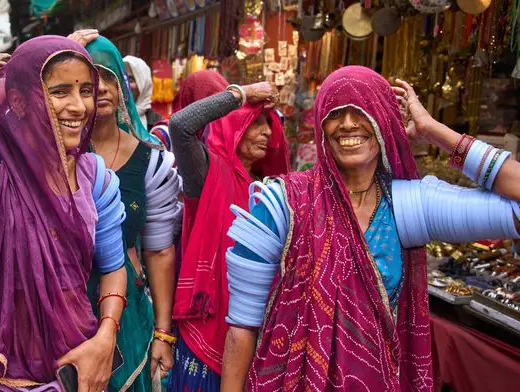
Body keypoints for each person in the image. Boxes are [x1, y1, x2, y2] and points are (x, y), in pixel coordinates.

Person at [220, 66, 520, 392]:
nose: (348, 123)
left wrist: (433, 131)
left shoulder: (407, 207)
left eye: (361, 111)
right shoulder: (282, 205)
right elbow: (241, 328)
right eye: (336, 113)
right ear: (322, 125)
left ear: (384, 121)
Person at [0, 35, 128, 391]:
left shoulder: (94, 177)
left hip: (72, 361)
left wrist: (106, 336)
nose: (80, 106)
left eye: (86, 90)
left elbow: (113, 267)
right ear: (19, 101)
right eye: (60, 91)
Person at [70, 31, 181, 391]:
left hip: (126, 314)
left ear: (122, 86)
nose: (98, 87)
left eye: (108, 76)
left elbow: (160, 251)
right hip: (56, 307)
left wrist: (163, 332)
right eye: (85, 79)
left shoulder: (152, 163)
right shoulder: (45, 159)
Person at [168, 81, 290, 391]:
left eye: (270, 125)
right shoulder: (207, 172)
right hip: (209, 326)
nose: (267, 132)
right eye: (256, 122)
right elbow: (180, 126)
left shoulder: (271, 190)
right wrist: (242, 94)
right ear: (233, 123)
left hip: (255, 326)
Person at [123, 55, 163, 131]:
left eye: (130, 79)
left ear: (144, 85)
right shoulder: (107, 117)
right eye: (121, 79)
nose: (124, 85)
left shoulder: (158, 123)